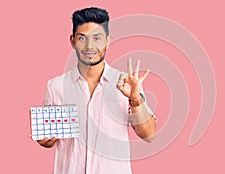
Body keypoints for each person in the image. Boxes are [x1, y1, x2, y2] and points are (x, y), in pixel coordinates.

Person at [36, 7, 157, 174]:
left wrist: (136, 100)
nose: (89, 46)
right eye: (82, 38)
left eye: (97, 38)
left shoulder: (127, 84)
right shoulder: (55, 86)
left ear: (107, 41)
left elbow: (149, 135)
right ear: (72, 41)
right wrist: (45, 141)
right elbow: (48, 136)